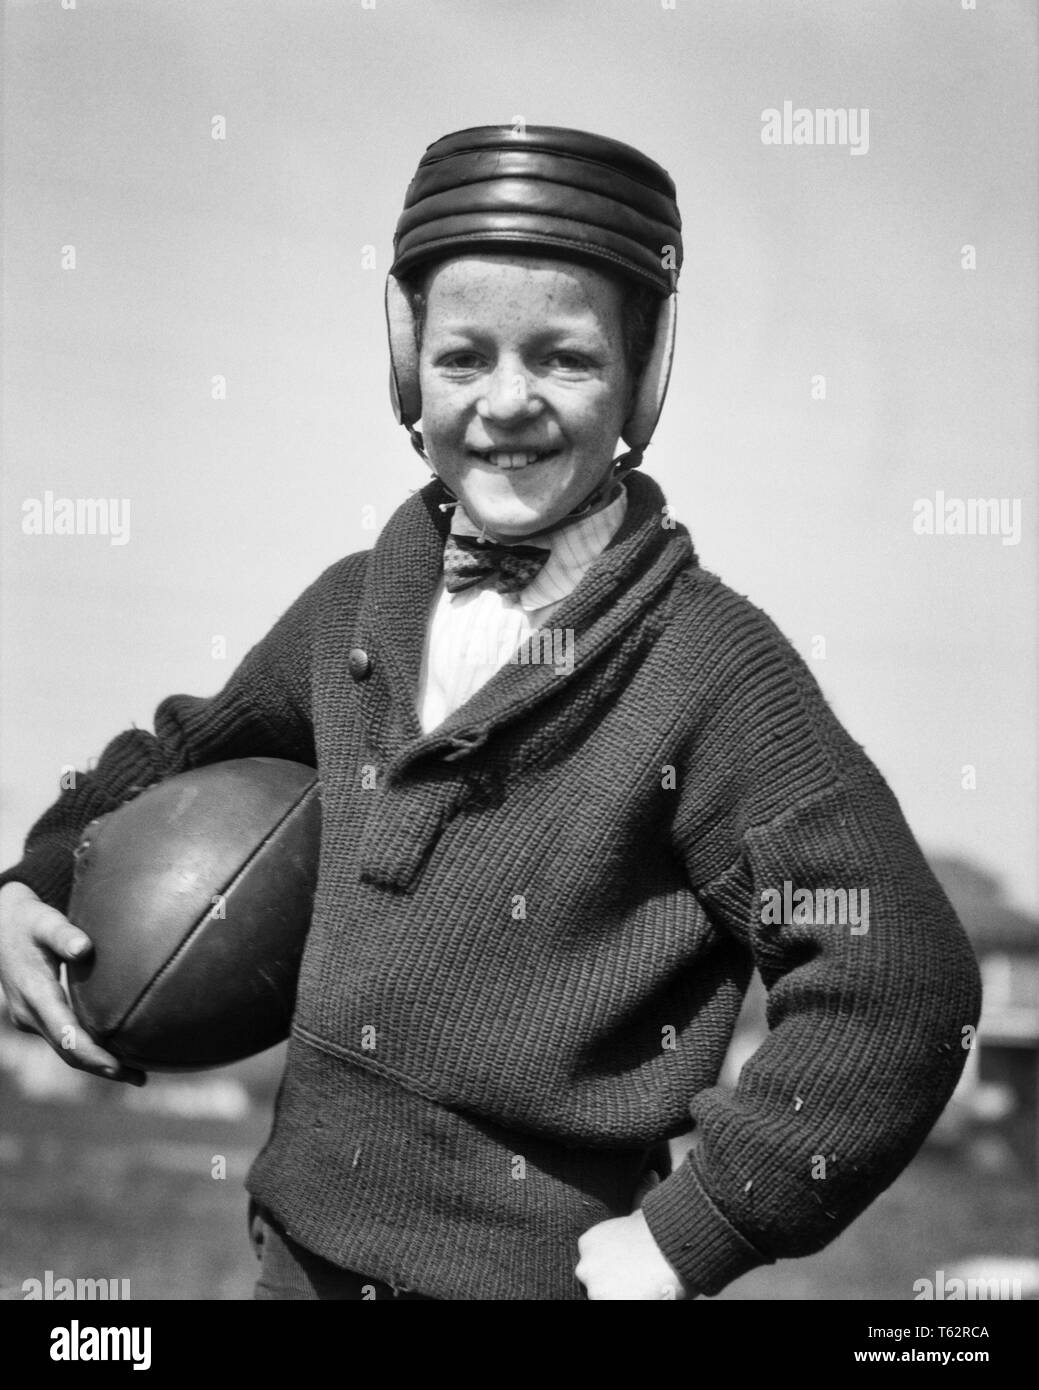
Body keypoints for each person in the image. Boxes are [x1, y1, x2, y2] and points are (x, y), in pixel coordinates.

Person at [0, 124, 982, 1301]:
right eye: (465, 356)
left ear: (643, 375)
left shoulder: (713, 669)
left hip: (536, 1281)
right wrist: (41, 874)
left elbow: (904, 982)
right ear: (407, 363)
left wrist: (702, 1224)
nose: (506, 401)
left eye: (562, 358)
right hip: (298, 1255)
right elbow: (185, 749)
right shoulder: (352, 606)